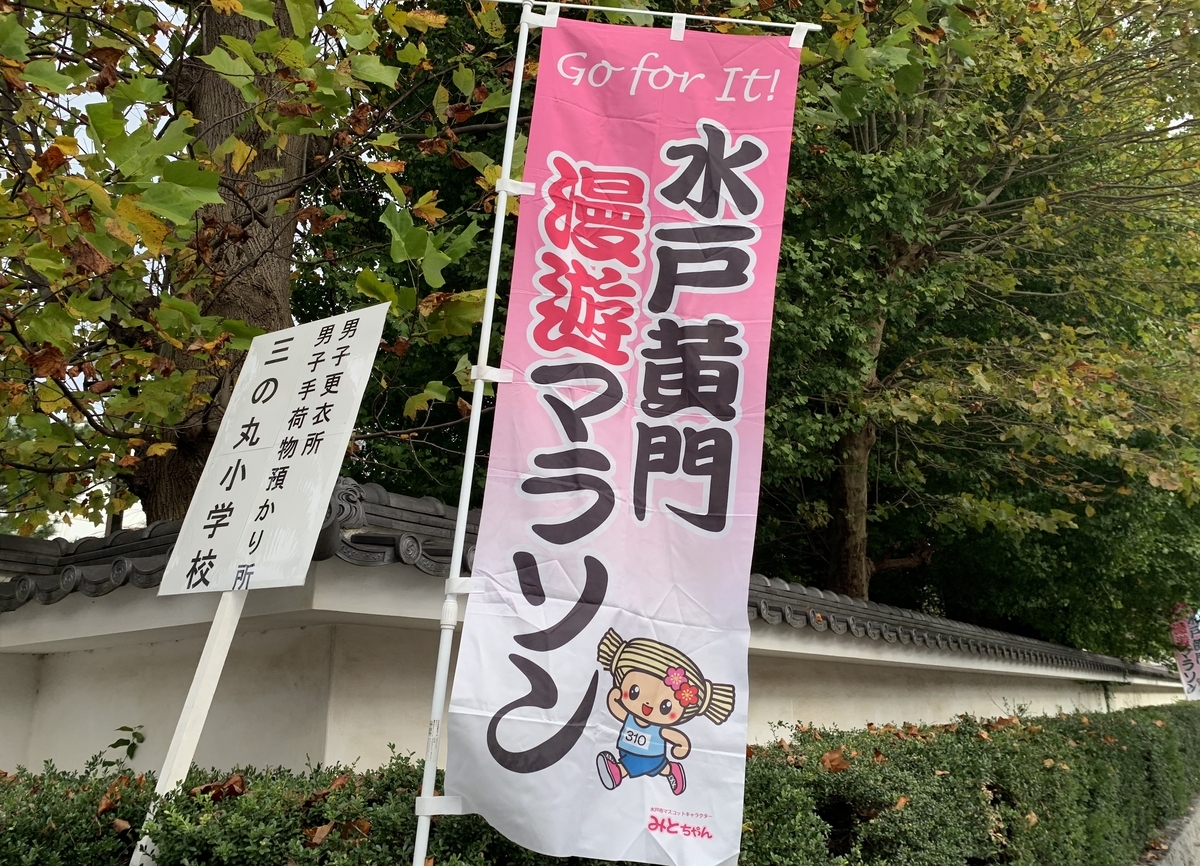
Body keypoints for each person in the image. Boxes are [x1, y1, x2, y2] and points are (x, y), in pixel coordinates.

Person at [595, 628, 735, 795]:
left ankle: (617, 772)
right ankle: (672, 769)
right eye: (634, 692)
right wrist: (613, 699)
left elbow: (672, 735)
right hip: (628, 750)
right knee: (661, 768)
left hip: (650, 757)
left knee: (635, 764)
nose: (647, 705)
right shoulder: (631, 717)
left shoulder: (658, 728)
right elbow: (619, 712)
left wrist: (682, 745)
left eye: (666, 707)